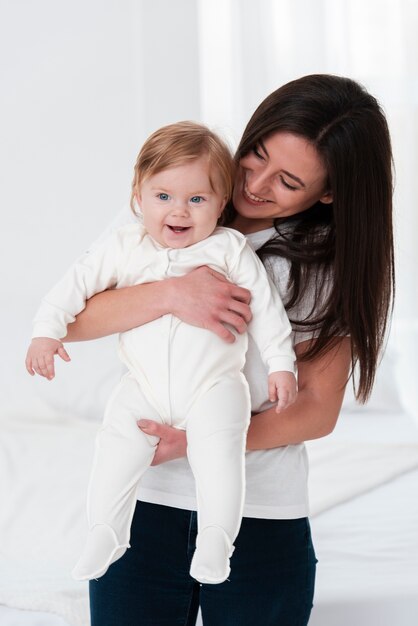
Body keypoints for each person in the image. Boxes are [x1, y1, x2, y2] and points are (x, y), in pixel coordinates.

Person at [30, 74, 394, 626]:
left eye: (288, 180)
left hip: (262, 513)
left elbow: (316, 409)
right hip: (146, 503)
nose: (256, 184)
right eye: (255, 155)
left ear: (328, 193)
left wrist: (195, 442)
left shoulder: (327, 266)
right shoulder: (170, 203)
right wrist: (172, 293)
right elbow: (73, 322)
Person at [25, 121, 297, 585]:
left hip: (214, 385)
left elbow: (270, 313)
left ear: (221, 203)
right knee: (115, 446)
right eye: (164, 196)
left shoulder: (228, 248)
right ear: (139, 194)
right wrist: (45, 333)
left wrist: (281, 365)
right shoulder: (123, 246)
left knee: (219, 452)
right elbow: (72, 289)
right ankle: (106, 531)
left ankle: (216, 538)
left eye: (197, 199)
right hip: (144, 386)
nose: (180, 211)